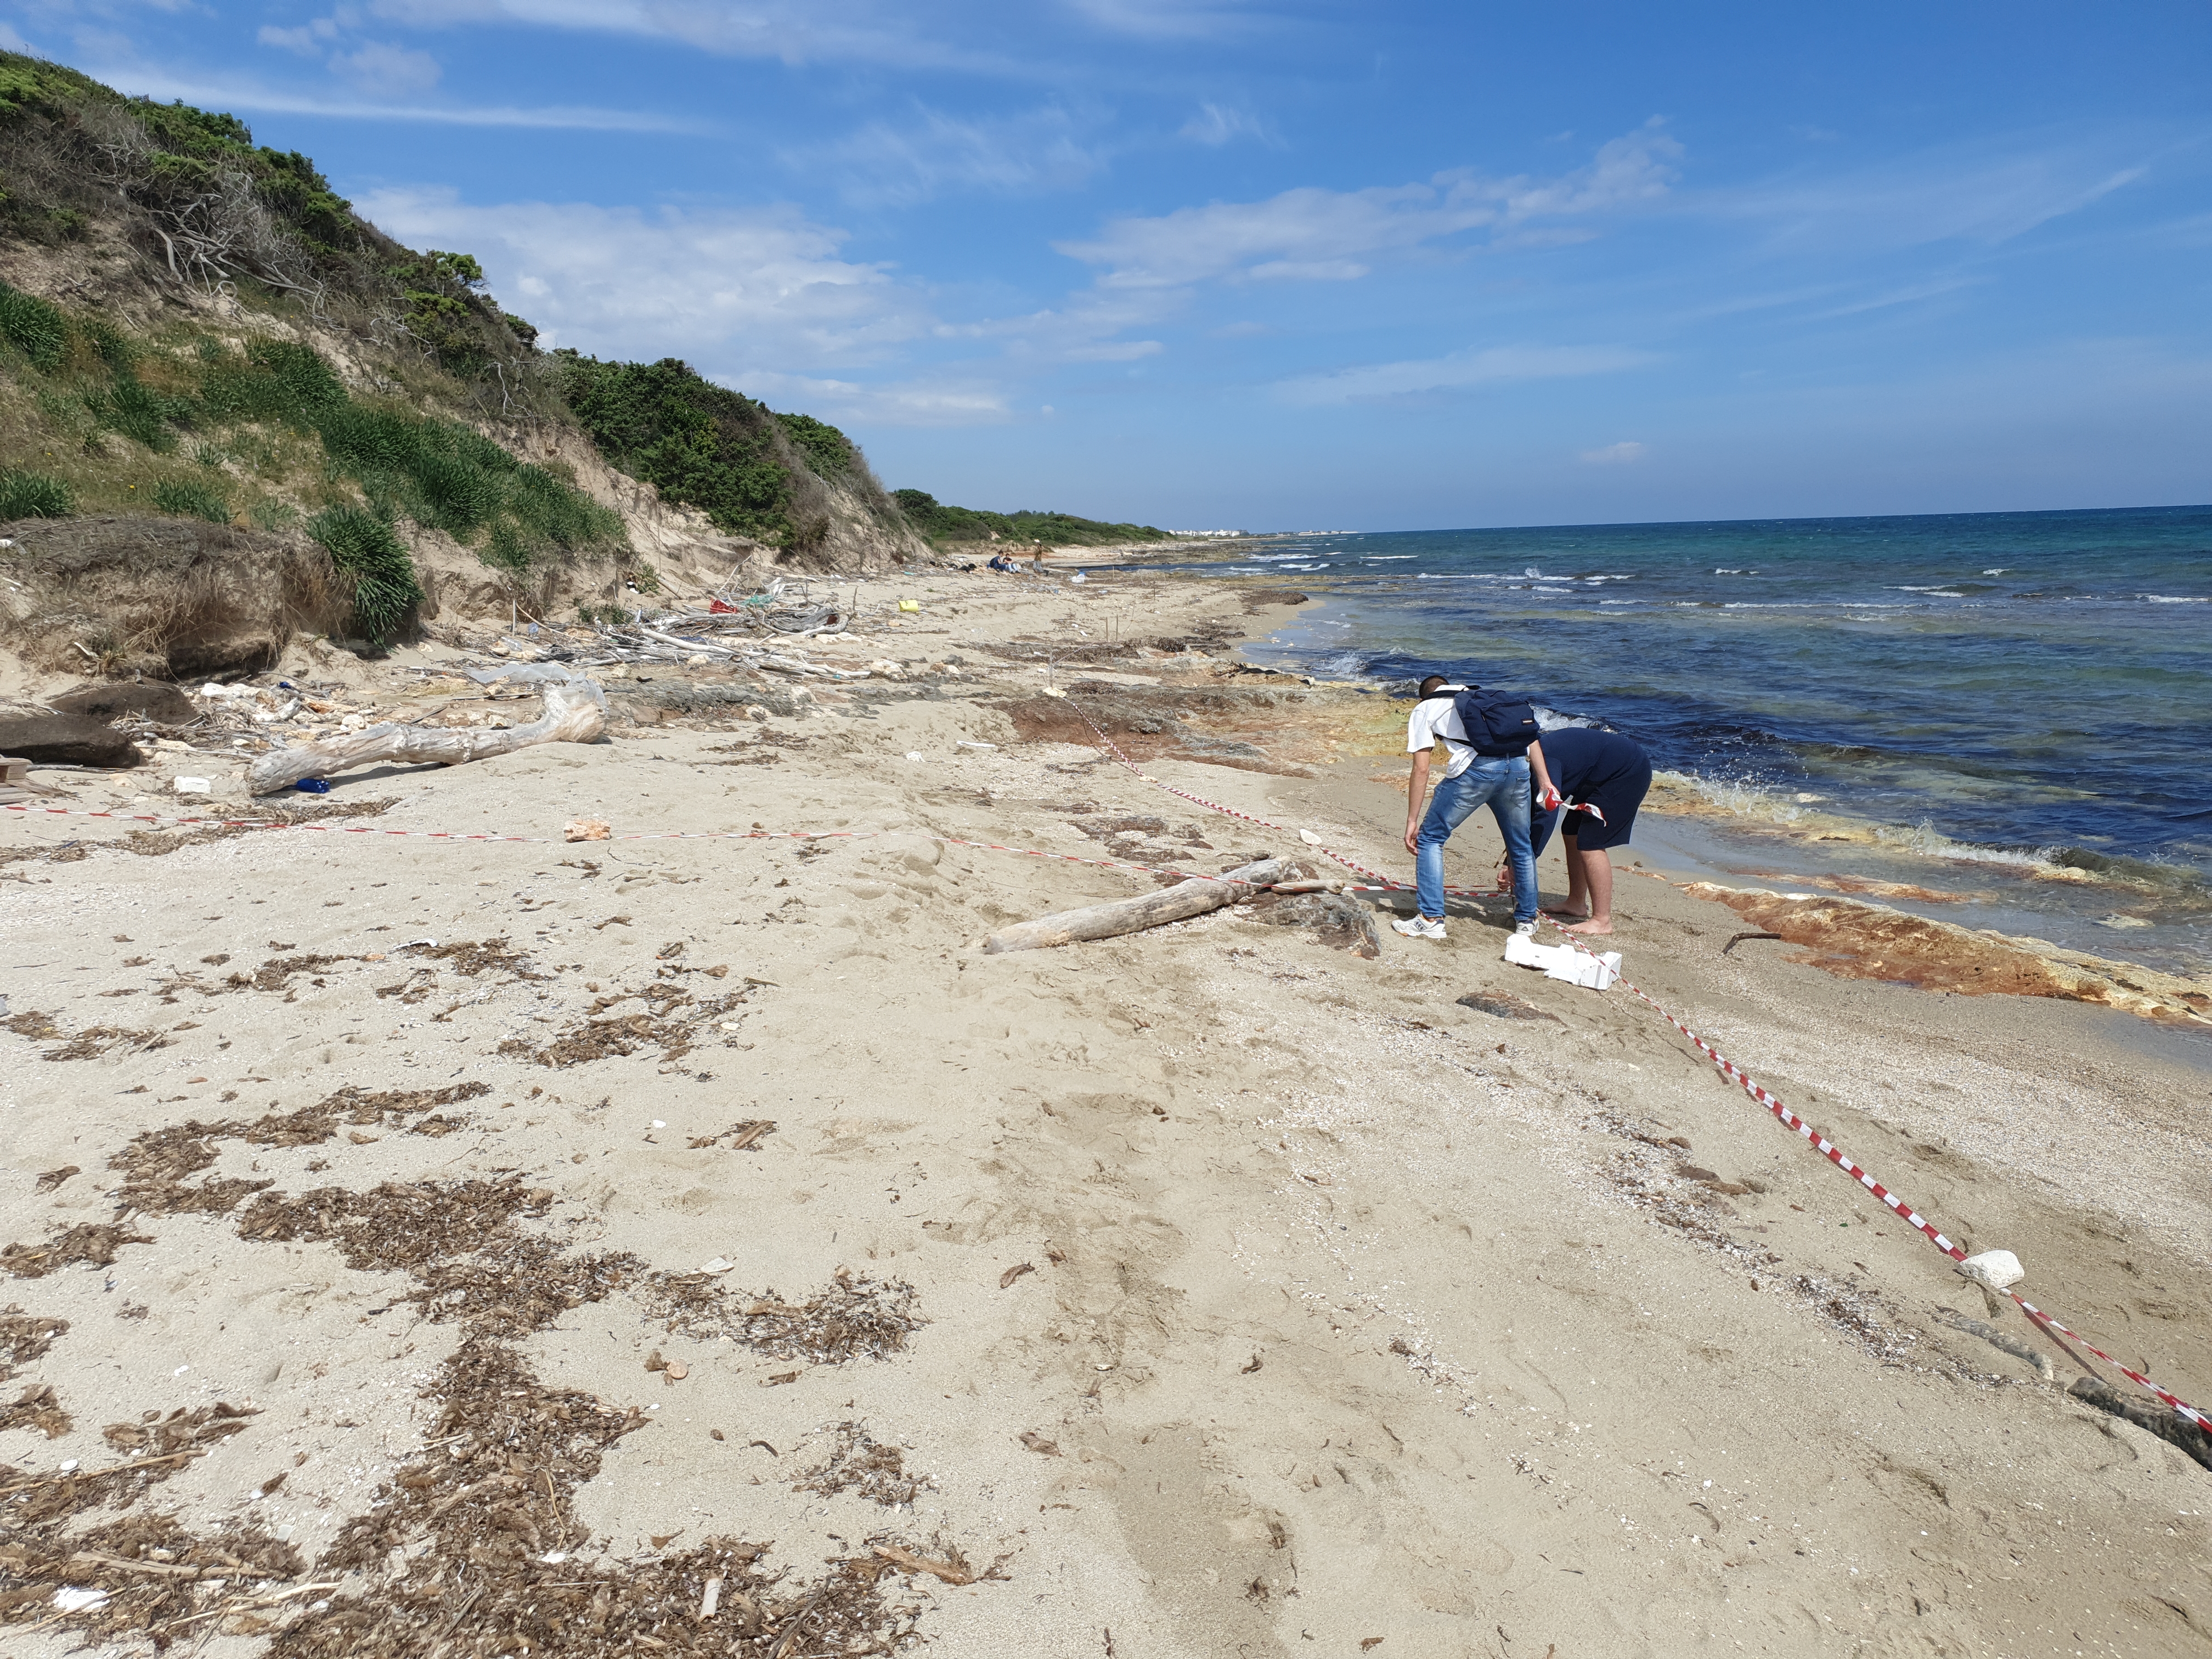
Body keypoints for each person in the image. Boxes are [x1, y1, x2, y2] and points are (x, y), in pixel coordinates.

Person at [1396, 674, 1545, 942]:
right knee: (1521, 845)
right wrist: (1544, 781)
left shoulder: (1424, 708)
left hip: (1476, 772)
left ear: (1424, 696)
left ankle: (1430, 919)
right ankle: (1527, 920)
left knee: (1430, 839)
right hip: (1519, 768)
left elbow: (1421, 768)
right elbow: (1530, 737)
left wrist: (1411, 820)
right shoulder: (1484, 696)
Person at [1525, 726, 1653, 935]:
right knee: (1571, 830)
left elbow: (1546, 814)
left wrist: (1522, 863)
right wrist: (1512, 859)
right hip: (1597, 774)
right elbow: (1533, 811)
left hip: (1626, 772)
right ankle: (1576, 902)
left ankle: (1603, 920)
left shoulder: (1545, 762)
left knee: (1591, 842)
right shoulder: (1537, 754)